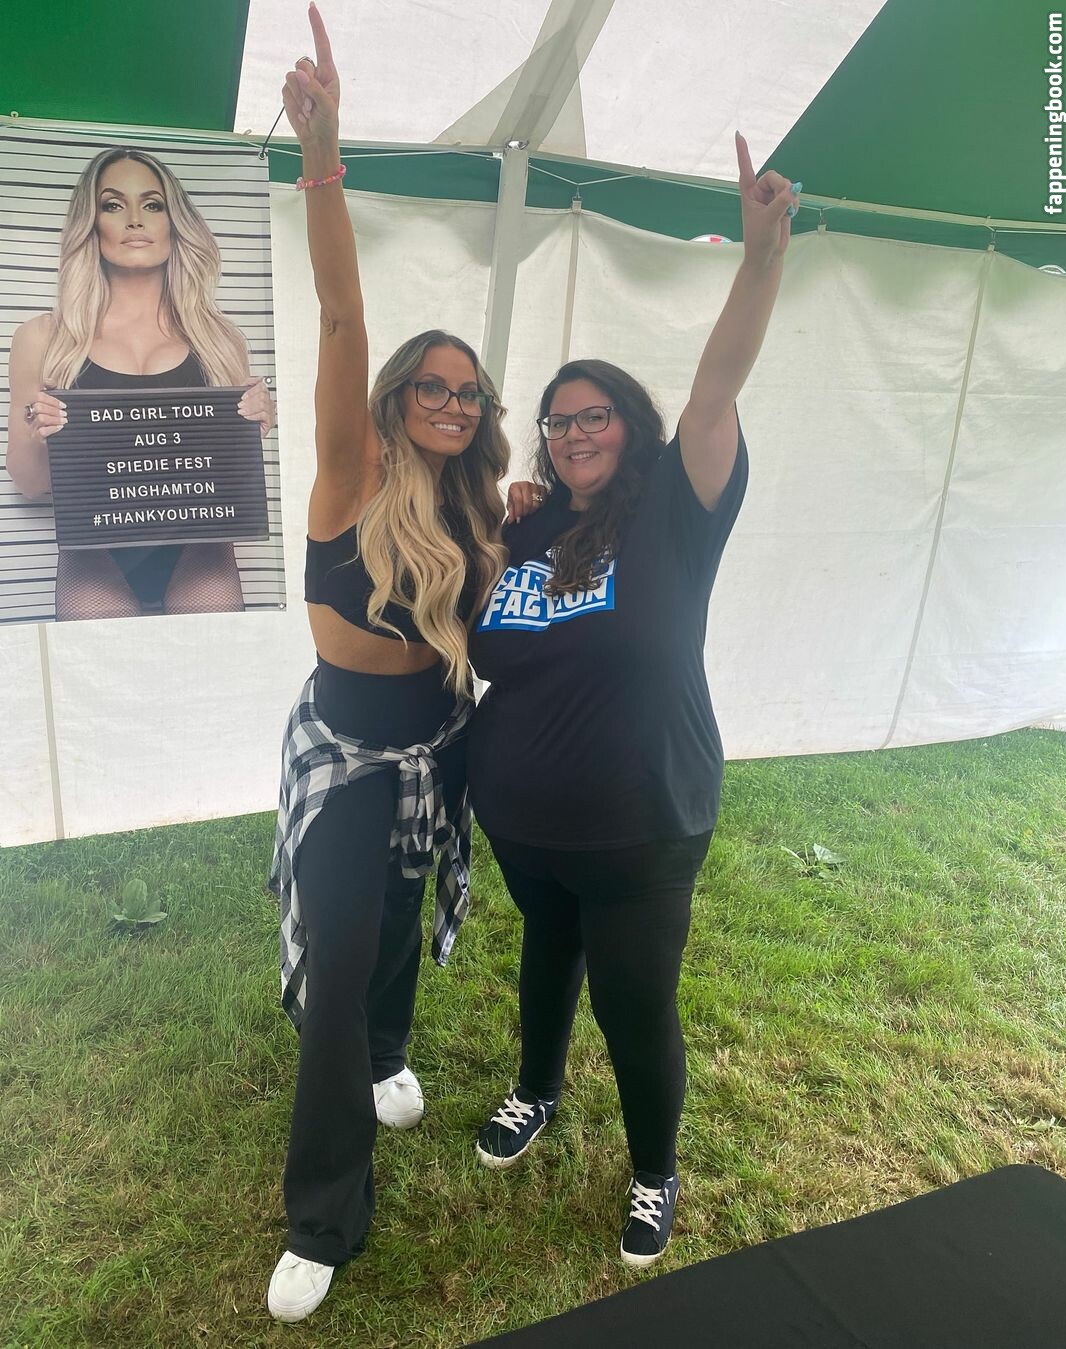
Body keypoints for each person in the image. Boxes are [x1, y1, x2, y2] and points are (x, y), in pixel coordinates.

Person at [469, 133, 799, 1268]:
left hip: (643, 817)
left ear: (631, 423)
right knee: (545, 954)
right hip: (523, 816)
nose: (574, 433)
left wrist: (759, 259)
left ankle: (655, 1165)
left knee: (633, 997)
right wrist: (506, 511)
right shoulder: (524, 526)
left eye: (594, 414)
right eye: (558, 421)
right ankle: (535, 1089)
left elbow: (718, 388)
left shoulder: (675, 511)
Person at [265, 5, 519, 1323]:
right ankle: (324, 1213)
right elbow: (341, 309)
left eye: (470, 392)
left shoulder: (475, 506)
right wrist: (324, 156)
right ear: (396, 398)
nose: (454, 403)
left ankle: (388, 1049)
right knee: (343, 943)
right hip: (348, 748)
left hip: (438, 741)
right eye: (436, 386)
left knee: (401, 918)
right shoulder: (351, 470)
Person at [5, 146, 274, 619]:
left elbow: (230, 484)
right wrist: (37, 431)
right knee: (101, 657)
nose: (134, 220)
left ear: (175, 222)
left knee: (210, 655)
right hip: (94, 551)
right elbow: (30, 486)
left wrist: (252, 428)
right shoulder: (44, 337)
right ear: (92, 224)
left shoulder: (220, 339)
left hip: (200, 547)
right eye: (113, 205)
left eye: (152, 204)